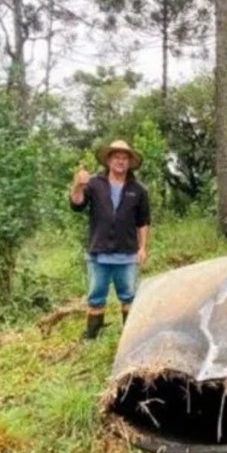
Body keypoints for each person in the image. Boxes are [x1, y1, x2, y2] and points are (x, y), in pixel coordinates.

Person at [69, 139, 151, 340]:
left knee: (129, 296)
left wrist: (142, 248)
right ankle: (92, 335)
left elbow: (143, 222)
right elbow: (77, 205)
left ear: (130, 163)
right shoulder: (95, 183)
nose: (120, 161)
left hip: (127, 253)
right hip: (98, 253)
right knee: (96, 296)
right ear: (108, 160)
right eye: (116, 157)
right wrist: (77, 185)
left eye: (124, 158)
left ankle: (130, 336)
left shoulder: (138, 189)